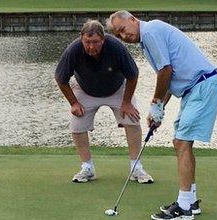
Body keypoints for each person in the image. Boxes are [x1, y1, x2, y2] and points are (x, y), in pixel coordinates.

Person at [107, 11, 217, 220]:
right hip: (194, 90)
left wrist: (155, 105)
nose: (124, 36)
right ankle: (191, 201)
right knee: (181, 142)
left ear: (132, 20)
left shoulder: (150, 32)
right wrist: (159, 110)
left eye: (123, 29)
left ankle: (184, 207)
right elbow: (169, 76)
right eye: (118, 35)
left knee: (181, 142)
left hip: (202, 86)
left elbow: (165, 71)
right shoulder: (149, 37)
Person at [55, 20, 153, 184]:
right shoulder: (74, 49)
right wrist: (73, 103)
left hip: (117, 88)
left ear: (103, 40)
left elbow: (133, 74)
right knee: (77, 125)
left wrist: (127, 102)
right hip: (85, 89)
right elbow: (61, 78)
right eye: (87, 42)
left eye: (95, 42)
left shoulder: (116, 47)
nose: (91, 47)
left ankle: (136, 168)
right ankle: (87, 168)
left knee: (132, 120)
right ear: (81, 39)